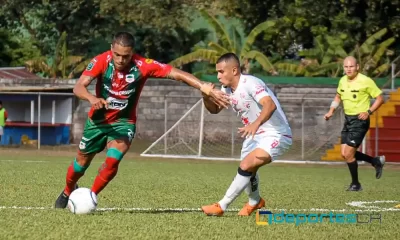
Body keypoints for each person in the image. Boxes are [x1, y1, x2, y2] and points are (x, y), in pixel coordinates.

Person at [55, 31, 230, 208]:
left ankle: (90, 197)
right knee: (81, 164)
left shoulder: (142, 65)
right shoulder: (101, 61)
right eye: (117, 55)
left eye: (126, 56)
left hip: (124, 122)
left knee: (113, 159)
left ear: (133, 53)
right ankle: (68, 190)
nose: (121, 60)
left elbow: (176, 73)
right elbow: (78, 87)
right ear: (111, 49)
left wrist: (204, 87)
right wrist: (92, 99)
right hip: (98, 122)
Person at [200, 53, 293, 216]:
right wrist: (205, 96)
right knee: (249, 171)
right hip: (254, 135)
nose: (218, 76)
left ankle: (221, 205)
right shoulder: (226, 89)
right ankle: (255, 202)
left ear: (234, 70)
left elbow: (270, 105)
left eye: (221, 72)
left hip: (276, 134)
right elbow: (214, 110)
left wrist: (255, 124)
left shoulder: (250, 83)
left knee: (245, 166)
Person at [324, 56, 385, 191]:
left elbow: (380, 99)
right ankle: (375, 161)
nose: (348, 69)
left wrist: (369, 111)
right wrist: (331, 110)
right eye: (346, 67)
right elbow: (338, 96)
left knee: (349, 154)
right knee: (344, 154)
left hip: (360, 121)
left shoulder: (366, 81)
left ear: (357, 67)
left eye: (351, 66)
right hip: (348, 120)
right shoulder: (342, 80)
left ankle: (356, 184)